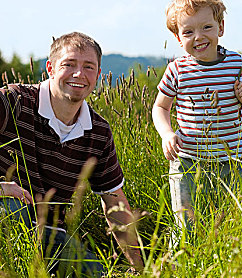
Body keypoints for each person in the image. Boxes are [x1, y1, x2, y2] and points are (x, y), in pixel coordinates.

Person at [0, 32, 143, 276]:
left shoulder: (98, 132)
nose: (79, 74)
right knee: (11, 210)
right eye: (69, 64)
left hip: (51, 234)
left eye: (89, 67)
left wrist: (140, 269)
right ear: (50, 68)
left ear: (98, 75)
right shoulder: (13, 101)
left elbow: (115, 202)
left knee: (95, 273)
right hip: (7, 216)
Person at [152, 0, 242, 233]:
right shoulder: (177, 69)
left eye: (206, 27)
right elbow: (160, 107)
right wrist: (167, 134)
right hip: (187, 161)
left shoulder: (236, 63)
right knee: (187, 227)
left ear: (220, 28)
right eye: (188, 31)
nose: (198, 37)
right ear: (178, 38)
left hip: (232, 162)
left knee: (231, 224)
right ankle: (180, 267)